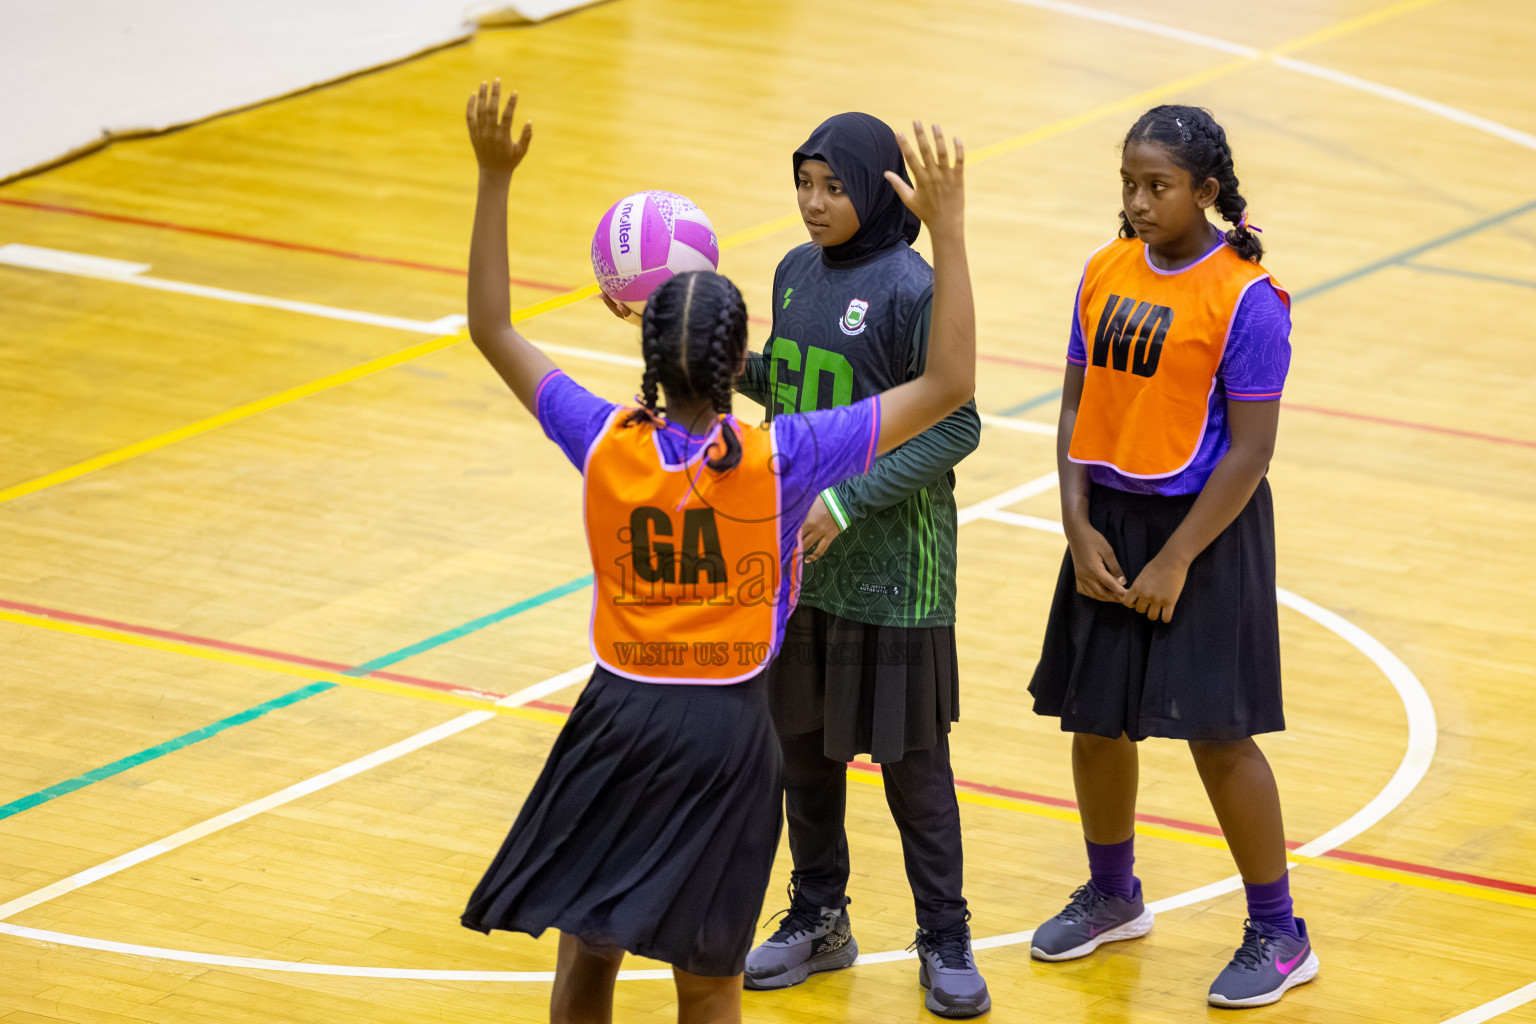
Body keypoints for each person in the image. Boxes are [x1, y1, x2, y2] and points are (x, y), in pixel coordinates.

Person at [455, 80, 976, 1024]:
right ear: (740, 356)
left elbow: (492, 328)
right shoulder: (779, 464)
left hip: (617, 720)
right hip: (728, 733)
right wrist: (949, 227)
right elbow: (949, 385)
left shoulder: (605, 442)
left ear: (645, 349)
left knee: (588, 960)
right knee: (709, 980)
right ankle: (827, 916)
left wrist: (494, 179)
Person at [1026, 104, 1317, 1009]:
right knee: (1096, 719)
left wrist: (1178, 558)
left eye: (1158, 187)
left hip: (1207, 531)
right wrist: (1075, 523)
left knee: (1219, 736)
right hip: (1110, 516)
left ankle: (1278, 930)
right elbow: (1076, 409)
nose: (1139, 201)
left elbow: (1252, 452)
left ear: (1207, 193)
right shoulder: (1102, 270)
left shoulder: (1246, 298)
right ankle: (1114, 893)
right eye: (1129, 185)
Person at [734, 111, 986, 1019]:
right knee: (803, 754)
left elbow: (957, 422)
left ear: (879, 190)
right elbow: (796, 387)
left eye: (834, 186)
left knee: (914, 769)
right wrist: (715, 351)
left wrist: (847, 499)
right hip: (801, 567)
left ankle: (946, 933)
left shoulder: (913, 288)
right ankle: (819, 917)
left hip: (896, 574)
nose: (813, 202)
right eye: (804, 182)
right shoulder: (795, 271)